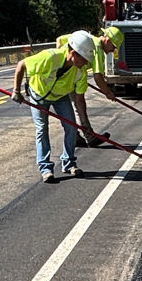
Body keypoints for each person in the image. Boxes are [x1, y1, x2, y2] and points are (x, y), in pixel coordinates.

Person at [11, 30, 94, 183]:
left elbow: (79, 100)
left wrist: (85, 125)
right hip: (39, 96)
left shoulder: (80, 72)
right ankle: (45, 168)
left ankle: (69, 163)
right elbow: (21, 65)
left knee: (71, 127)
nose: (85, 63)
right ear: (72, 52)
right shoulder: (50, 57)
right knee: (42, 129)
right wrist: (16, 91)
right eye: (83, 59)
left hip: (60, 97)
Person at [57, 26, 122, 147]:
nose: (112, 51)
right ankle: (84, 137)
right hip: (70, 76)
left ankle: (81, 136)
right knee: (77, 105)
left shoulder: (91, 40)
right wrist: (108, 93)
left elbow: (59, 40)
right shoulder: (96, 47)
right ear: (107, 40)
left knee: (77, 105)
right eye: (113, 47)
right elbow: (98, 77)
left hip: (76, 75)